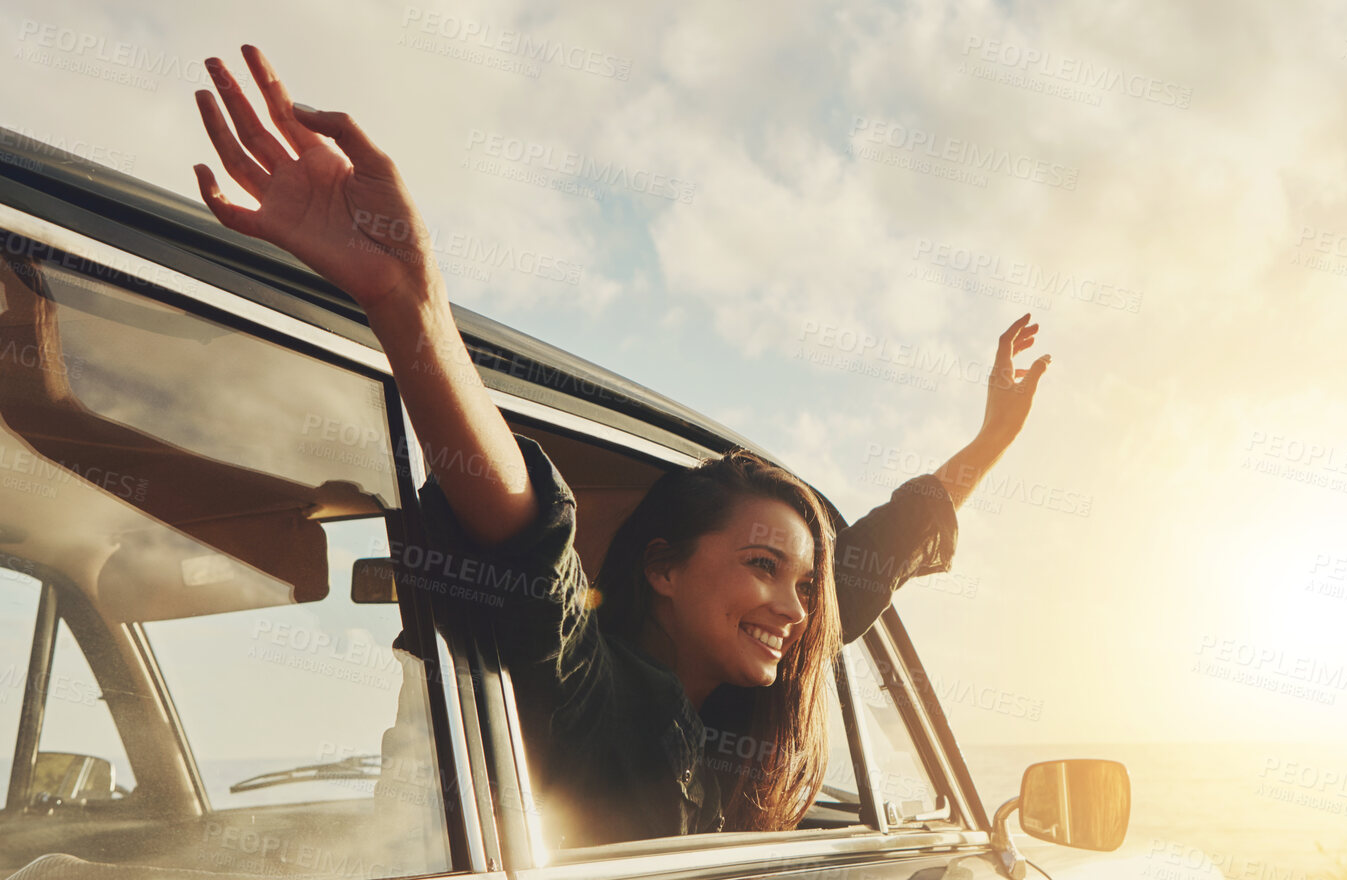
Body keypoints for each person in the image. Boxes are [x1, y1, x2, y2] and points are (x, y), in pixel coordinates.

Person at [187, 45, 1051, 846]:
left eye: (800, 582)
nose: (793, 608)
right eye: (760, 565)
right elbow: (528, 543)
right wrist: (409, 305)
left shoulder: (754, 694)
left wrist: (992, 440)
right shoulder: (592, 694)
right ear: (664, 568)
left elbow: (880, 556)